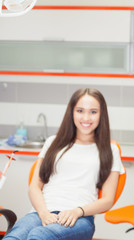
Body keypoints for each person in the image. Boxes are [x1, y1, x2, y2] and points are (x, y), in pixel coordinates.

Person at [4, 88, 125, 240]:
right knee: (14, 238)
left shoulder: (110, 149)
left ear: (102, 115)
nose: (86, 117)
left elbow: (107, 200)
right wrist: (43, 213)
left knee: (39, 235)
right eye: (80, 110)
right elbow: (35, 186)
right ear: (72, 112)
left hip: (79, 218)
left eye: (93, 112)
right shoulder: (53, 142)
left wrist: (77, 211)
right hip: (40, 213)